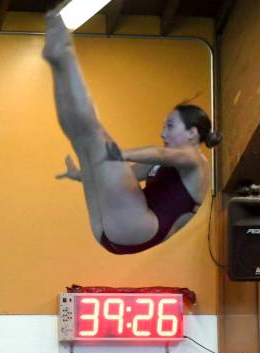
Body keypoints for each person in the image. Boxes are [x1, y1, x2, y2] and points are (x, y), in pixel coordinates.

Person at [43, 9, 220, 255]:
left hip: (138, 227)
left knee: (95, 133)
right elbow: (120, 177)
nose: (162, 133)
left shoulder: (195, 161)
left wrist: (121, 154)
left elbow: (162, 154)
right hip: (112, 233)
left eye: (169, 126)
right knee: (82, 136)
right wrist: (83, 176)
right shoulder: (160, 164)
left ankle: (65, 55)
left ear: (192, 133)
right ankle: (59, 65)